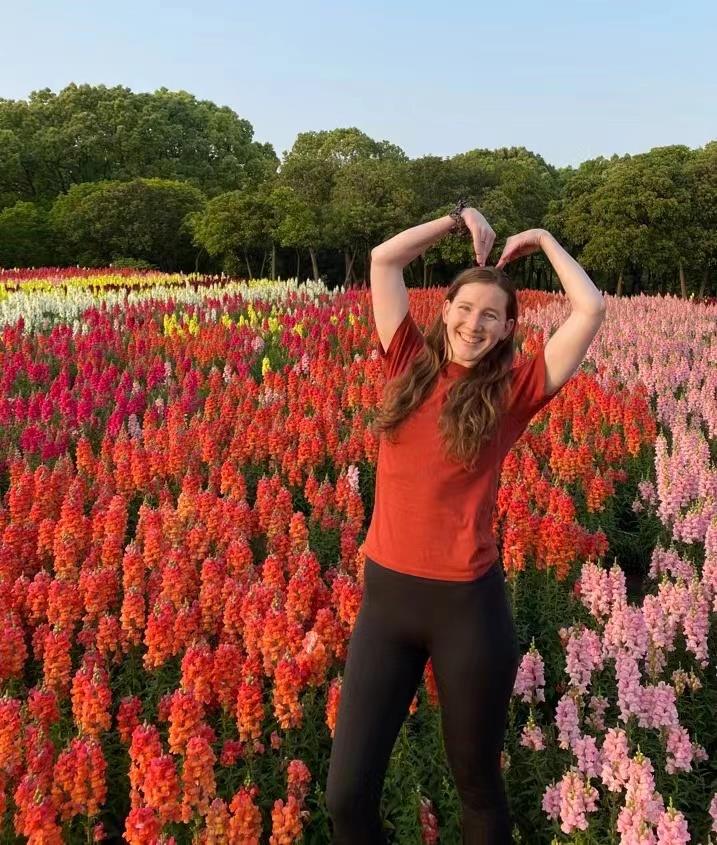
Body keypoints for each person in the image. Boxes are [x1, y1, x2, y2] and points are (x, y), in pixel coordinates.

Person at [324, 202, 606, 844]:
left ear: (508, 329)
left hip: (466, 612)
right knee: (346, 796)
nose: (473, 324)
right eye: (464, 308)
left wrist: (541, 239)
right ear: (443, 309)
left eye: (491, 316)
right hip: (385, 604)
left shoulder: (514, 393)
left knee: (475, 784)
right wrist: (459, 220)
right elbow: (384, 260)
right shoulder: (403, 364)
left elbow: (589, 310)